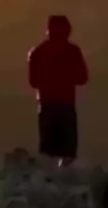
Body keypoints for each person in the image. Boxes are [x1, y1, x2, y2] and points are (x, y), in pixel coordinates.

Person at [27, 15, 88, 165]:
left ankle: (48, 177)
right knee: (68, 152)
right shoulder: (73, 51)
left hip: (46, 105)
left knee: (48, 151)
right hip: (66, 104)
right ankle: (65, 176)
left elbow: (33, 82)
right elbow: (83, 78)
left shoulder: (38, 52)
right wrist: (66, 79)